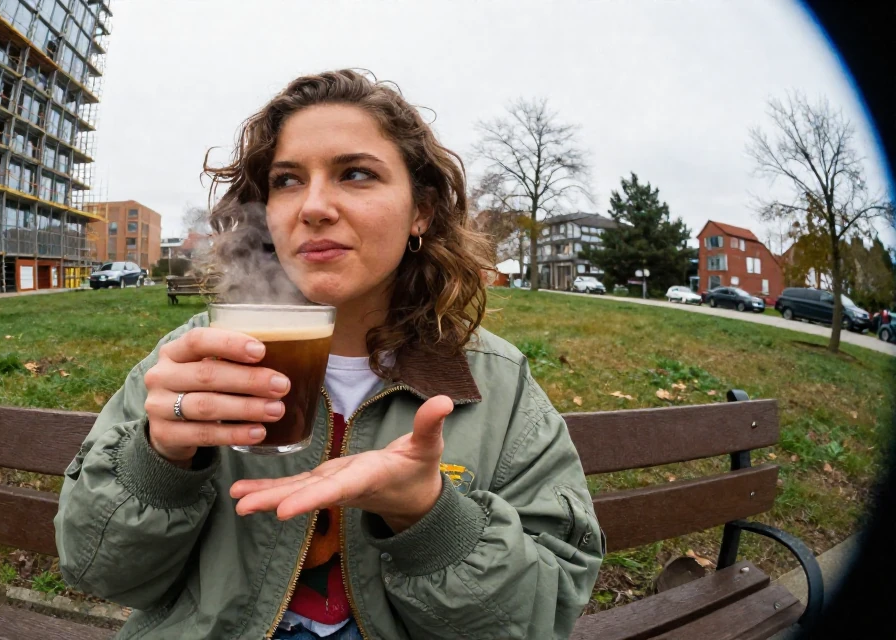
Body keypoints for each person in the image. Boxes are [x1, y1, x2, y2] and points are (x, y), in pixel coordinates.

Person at [55, 69, 603, 639]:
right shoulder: (192, 363)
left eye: (356, 173)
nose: (313, 207)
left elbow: (541, 616)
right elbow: (97, 571)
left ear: (421, 211)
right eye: (287, 181)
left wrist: (428, 514)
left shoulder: (497, 384)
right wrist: (160, 460)